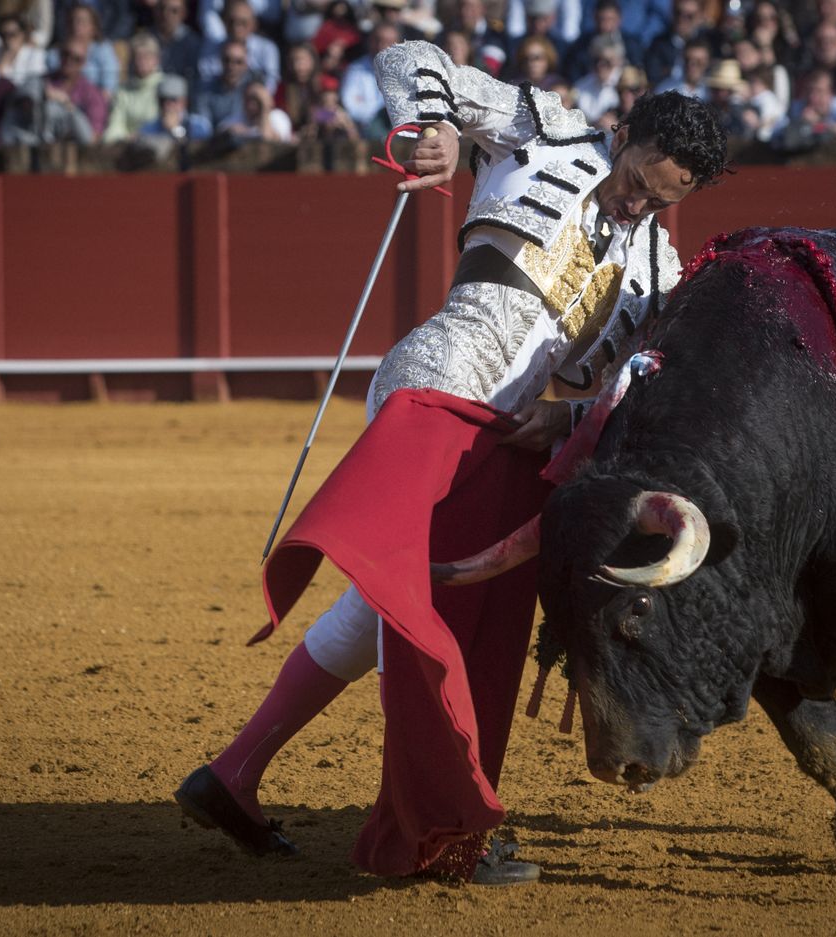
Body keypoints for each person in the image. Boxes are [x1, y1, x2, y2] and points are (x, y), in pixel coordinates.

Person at [174, 37, 729, 886]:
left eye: (660, 201)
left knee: (390, 604)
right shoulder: (545, 132)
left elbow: (622, 392)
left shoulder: (657, 270)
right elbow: (408, 56)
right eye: (635, 182)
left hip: (505, 442)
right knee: (431, 616)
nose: (635, 205)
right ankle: (431, 832)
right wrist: (430, 126)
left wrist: (566, 416)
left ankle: (235, 773)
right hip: (433, 390)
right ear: (623, 135)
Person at [777, 66, 836, 147]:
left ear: (831, 93)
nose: (812, 97)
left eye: (819, 91)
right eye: (809, 91)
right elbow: (777, 131)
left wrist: (818, 124)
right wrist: (799, 123)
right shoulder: (795, 107)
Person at [103, 32, 163, 141]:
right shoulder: (122, 91)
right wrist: (125, 139)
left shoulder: (165, 86)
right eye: (137, 57)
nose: (142, 62)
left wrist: (142, 136)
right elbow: (115, 126)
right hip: (126, 145)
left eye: (146, 57)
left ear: (156, 59)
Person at [194, 38, 253, 130]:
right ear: (220, 61)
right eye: (227, 60)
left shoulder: (254, 89)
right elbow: (203, 126)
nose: (231, 66)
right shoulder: (205, 90)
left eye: (238, 62)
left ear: (246, 64)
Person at [138, 72, 210, 139]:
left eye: (173, 99)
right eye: (162, 100)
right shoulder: (148, 128)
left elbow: (197, 147)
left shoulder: (199, 126)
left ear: (184, 102)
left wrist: (175, 129)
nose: (167, 105)